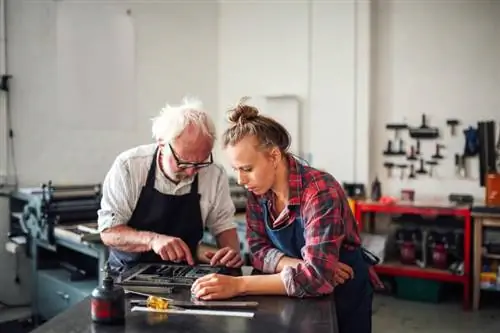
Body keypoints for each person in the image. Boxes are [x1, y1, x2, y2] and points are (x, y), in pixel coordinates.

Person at [191, 98, 383, 333]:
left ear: (273, 156)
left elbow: (318, 279)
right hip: (289, 293)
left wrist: (238, 284)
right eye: (236, 170)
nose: (241, 180)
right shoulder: (259, 191)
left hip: (342, 294)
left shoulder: (320, 191)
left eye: (247, 169)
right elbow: (258, 251)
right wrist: (301, 266)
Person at [97, 97, 244, 272]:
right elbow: (109, 233)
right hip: (128, 274)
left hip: (185, 275)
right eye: (183, 162)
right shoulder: (129, 166)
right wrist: (153, 240)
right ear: (161, 143)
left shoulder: (214, 173)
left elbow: (224, 226)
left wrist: (230, 255)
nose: (191, 172)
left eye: (200, 163)